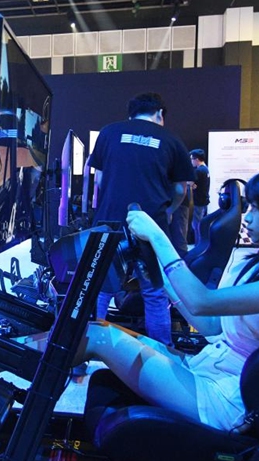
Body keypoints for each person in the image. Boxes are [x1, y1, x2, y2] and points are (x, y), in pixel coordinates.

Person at [0, 164, 259, 432]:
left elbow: (202, 305)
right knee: (102, 327)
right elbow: (211, 325)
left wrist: (157, 236)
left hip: (227, 401)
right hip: (213, 368)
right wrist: (155, 264)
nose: (247, 217)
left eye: (257, 210)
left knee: (98, 337)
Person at [90, 92, 194, 346]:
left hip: (110, 226)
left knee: (100, 292)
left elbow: (99, 180)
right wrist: (168, 211)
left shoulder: (109, 132)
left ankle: (84, 354)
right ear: (160, 114)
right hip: (150, 228)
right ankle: (163, 352)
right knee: (155, 295)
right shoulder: (172, 140)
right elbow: (181, 189)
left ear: (131, 114)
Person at [190, 149, 211, 245]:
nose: (191, 162)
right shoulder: (205, 169)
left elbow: (189, 183)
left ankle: (198, 245)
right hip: (203, 200)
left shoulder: (199, 171)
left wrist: (190, 184)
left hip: (198, 201)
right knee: (199, 224)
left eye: (191, 159)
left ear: (196, 159)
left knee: (197, 225)